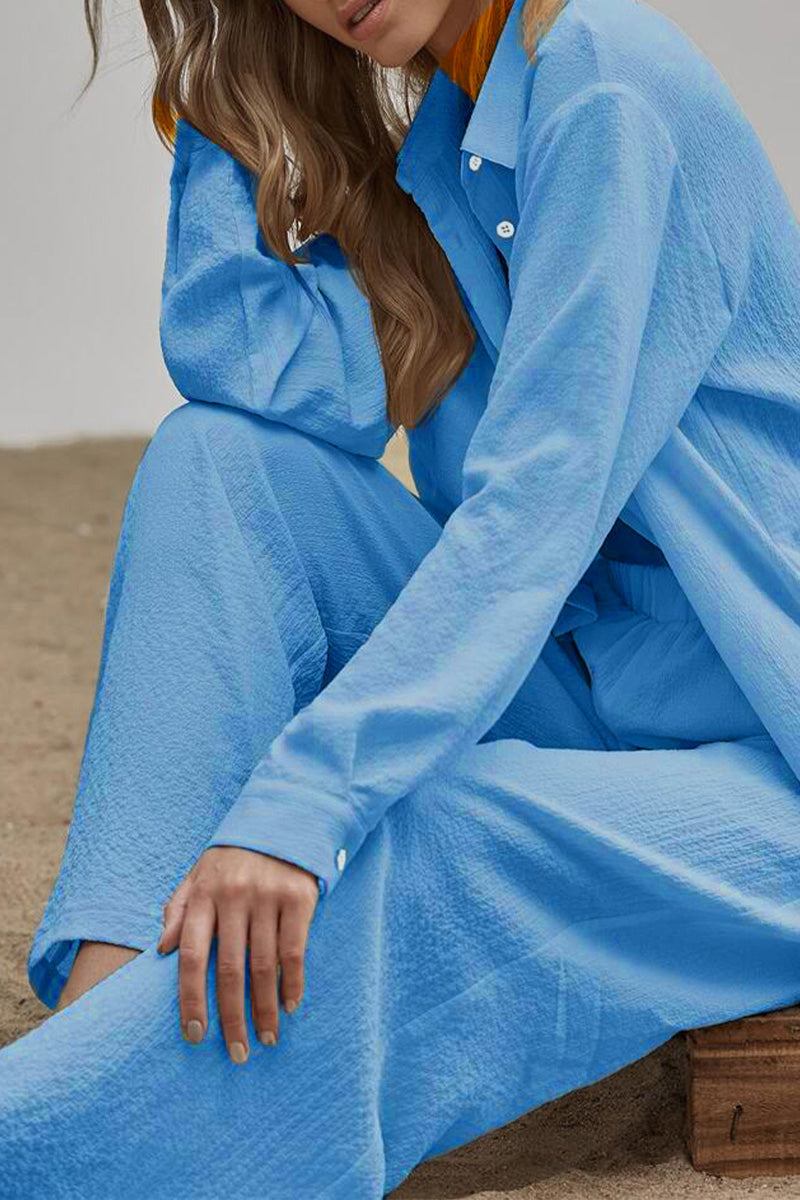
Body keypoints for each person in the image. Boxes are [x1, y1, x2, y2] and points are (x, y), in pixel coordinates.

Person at [2, 0, 800, 1194]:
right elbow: (256, 368)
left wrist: (301, 800)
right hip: (596, 690)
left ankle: (68, 1134)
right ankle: (102, 1016)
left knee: (437, 832)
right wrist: (222, 99)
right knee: (217, 468)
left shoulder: (602, 84)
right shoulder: (450, 150)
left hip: (769, 768)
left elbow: (533, 513)